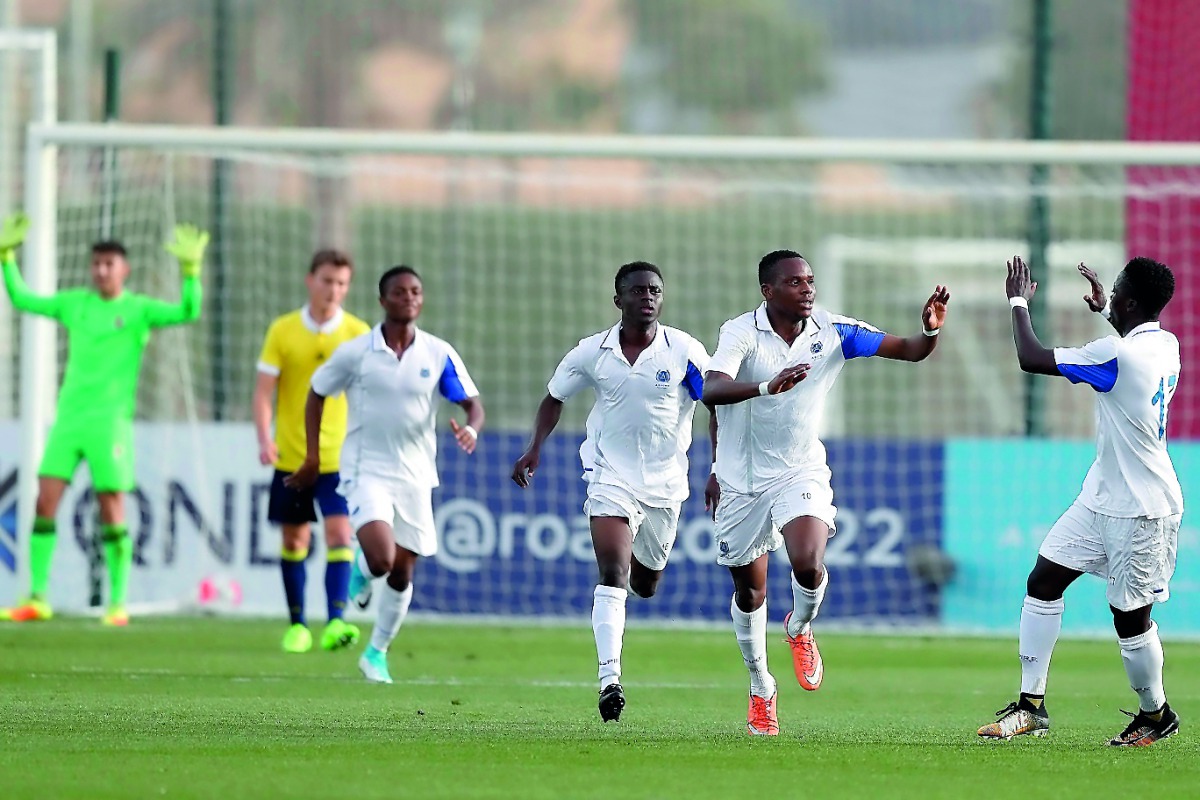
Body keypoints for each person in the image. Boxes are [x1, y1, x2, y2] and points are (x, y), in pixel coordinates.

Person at [702, 249, 949, 736]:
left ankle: (799, 627)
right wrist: (767, 389)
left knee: (808, 563)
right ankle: (761, 688)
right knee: (750, 592)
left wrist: (931, 331)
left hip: (800, 469)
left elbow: (910, 350)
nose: (808, 289)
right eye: (795, 283)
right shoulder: (739, 333)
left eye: (810, 280)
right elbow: (712, 390)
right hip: (741, 480)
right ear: (768, 292)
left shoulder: (834, 331)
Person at [977, 256, 1182, 746]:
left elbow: (1032, 357)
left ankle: (1156, 714)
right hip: (1101, 496)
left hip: (1143, 507)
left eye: (1114, 290)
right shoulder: (1164, 343)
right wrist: (1107, 311)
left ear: (1128, 302)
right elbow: (1124, 347)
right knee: (1044, 580)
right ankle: (1031, 706)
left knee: (1130, 618)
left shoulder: (1116, 354)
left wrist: (1018, 300)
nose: (1107, 293)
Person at [511, 261, 711, 723]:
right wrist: (533, 449)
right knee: (613, 571)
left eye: (655, 290)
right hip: (609, 475)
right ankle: (610, 679)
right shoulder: (592, 352)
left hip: (665, 486)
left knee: (645, 583)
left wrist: (718, 467)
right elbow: (554, 398)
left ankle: (638, 589)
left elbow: (713, 400)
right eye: (638, 290)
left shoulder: (683, 351)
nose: (648, 297)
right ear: (618, 299)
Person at [0, 212, 206, 626]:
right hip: (68, 420)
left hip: (109, 424)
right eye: (96, 264)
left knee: (111, 505)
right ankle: (37, 597)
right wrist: (6, 259)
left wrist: (190, 272)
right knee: (44, 500)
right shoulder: (74, 303)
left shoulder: (138, 310)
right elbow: (23, 299)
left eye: (109, 264)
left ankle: (118, 602)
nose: (101, 270)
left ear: (124, 270)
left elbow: (188, 310)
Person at [286, 265, 484, 684]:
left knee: (402, 571)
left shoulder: (437, 352)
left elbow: (471, 403)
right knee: (381, 557)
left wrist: (471, 427)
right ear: (382, 301)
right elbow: (317, 393)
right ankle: (363, 566)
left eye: (415, 291)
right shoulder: (357, 352)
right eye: (399, 292)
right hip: (365, 469)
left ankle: (375, 653)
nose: (409, 297)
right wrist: (311, 457)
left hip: (415, 475)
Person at [254, 249, 370, 654]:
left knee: (340, 533)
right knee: (295, 539)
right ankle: (298, 625)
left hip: (339, 458)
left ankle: (336, 622)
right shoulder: (283, 330)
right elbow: (264, 392)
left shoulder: (358, 332)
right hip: (292, 456)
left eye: (341, 283)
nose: (333, 290)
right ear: (310, 280)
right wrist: (263, 437)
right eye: (326, 280)